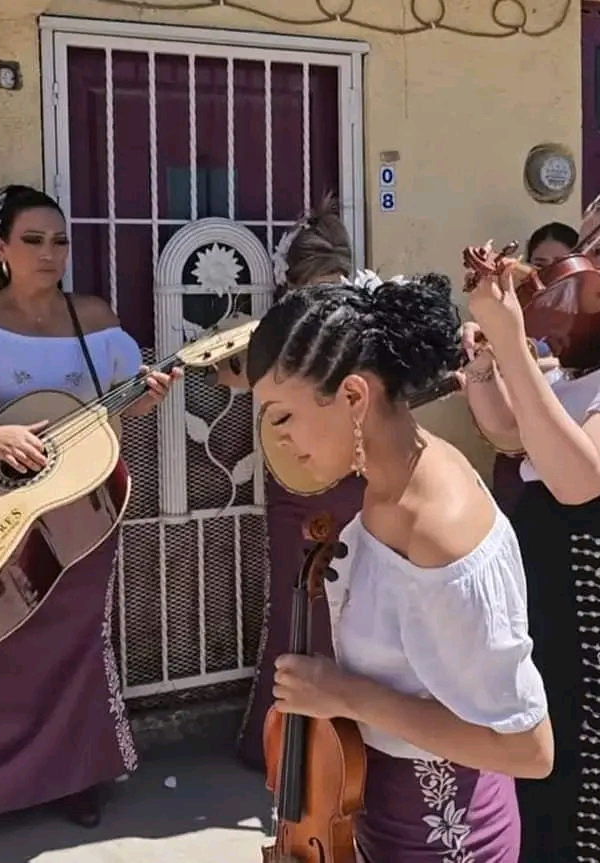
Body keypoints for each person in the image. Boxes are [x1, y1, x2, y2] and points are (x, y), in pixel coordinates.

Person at [246, 274, 553, 862]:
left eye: (283, 417)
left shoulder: (438, 526)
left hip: (448, 843)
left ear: (355, 397)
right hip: (377, 821)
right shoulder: (389, 483)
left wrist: (347, 696)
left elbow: (529, 750)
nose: (278, 441)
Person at [463, 177, 600, 862]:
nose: (581, 261)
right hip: (575, 615)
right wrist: (488, 361)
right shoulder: (599, 348)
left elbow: (578, 474)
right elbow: (512, 435)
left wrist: (510, 330)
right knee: (563, 808)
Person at [0, 185, 180, 827]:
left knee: (78, 641)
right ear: (0, 247)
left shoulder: (93, 318)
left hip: (85, 508)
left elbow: (123, 400)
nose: (49, 253)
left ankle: (74, 776)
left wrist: (149, 395)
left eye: (59, 241)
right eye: (32, 240)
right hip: (0, 514)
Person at [228, 196, 365, 770]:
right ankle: (290, 744)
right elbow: (233, 377)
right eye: (319, 281)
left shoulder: (365, 315)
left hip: (354, 474)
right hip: (300, 474)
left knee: (349, 605)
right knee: (299, 605)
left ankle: (344, 743)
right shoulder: (280, 327)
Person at [489, 222, 578, 516]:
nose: (549, 275)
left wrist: (525, 362)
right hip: (515, 456)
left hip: (568, 455)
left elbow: (581, 364)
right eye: (540, 264)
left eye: (559, 265)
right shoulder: (515, 313)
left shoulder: (589, 316)